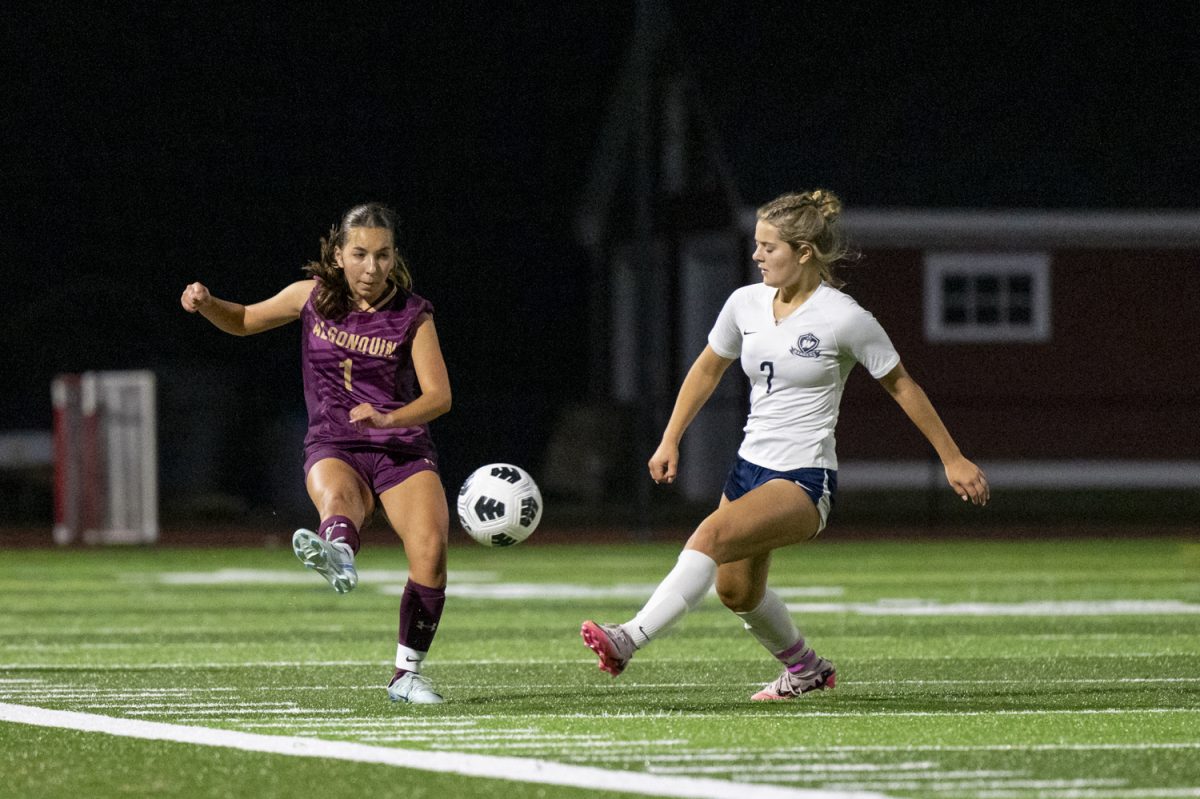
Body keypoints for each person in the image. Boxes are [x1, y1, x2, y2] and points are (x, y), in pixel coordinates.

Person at [581, 189, 990, 700]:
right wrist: (670, 438)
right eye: (757, 244)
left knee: (707, 537)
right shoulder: (745, 303)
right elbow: (708, 367)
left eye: (769, 247)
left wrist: (952, 458)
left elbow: (902, 384)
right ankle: (807, 670)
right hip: (748, 468)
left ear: (804, 253)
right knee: (736, 592)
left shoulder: (843, 317)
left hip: (803, 479)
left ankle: (628, 638)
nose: (757, 256)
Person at [181, 202, 452, 705]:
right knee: (339, 502)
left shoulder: (413, 313)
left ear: (395, 257)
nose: (372, 267)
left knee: (431, 553)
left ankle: (406, 675)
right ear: (338, 254)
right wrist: (208, 302)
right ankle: (340, 554)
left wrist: (390, 417)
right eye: (360, 254)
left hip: (400, 446)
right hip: (335, 441)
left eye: (383, 255)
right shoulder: (312, 297)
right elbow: (242, 320)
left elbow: (440, 396)